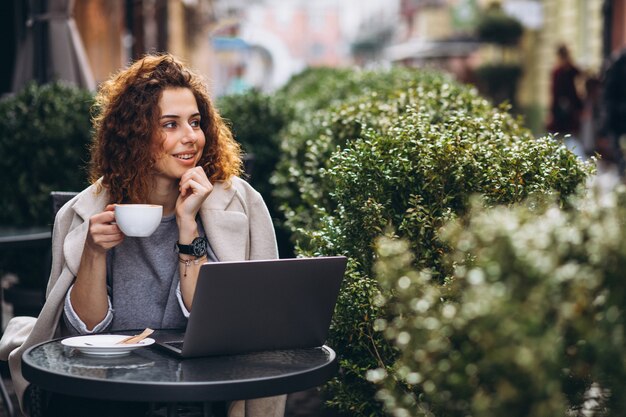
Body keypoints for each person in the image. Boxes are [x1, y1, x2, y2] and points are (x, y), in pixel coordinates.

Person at [0, 53, 285, 417]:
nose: (190, 138)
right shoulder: (85, 212)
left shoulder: (237, 203)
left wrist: (188, 224)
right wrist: (92, 252)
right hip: (108, 388)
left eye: (195, 123)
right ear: (135, 134)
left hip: (204, 385)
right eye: (170, 125)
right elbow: (81, 335)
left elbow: (219, 322)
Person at [547, 44, 584, 157]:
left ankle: (567, 158)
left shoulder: (563, 70)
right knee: (566, 136)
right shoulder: (559, 71)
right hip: (564, 108)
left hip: (568, 108)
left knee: (566, 136)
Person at [600, 47, 626, 175]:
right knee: (620, 154)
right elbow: (608, 94)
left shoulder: (617, 62)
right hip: (618, 118)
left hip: (618, 117)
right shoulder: (618, 63)